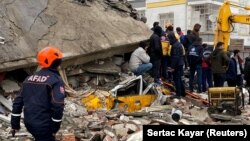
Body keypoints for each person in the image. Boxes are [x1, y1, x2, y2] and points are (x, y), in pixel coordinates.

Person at [11, 46, 65, 141]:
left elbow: (17, 102)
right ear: (56, 62)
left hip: (30, 124)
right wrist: (55, 128)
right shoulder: (55, 80)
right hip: (44, 126)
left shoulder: (29, 79)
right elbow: (57, 105)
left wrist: (15, 124)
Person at [168, 31, 185, 98]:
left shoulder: (175, 46)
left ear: (172, 38)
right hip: (179, 63)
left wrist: (172, 67)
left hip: (177, 65)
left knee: (176, 79)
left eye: (169, 39)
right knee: (179, 79)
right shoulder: (178, 44)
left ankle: (178, 94)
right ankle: (182, 93)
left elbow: (175, 57)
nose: (168, 41)